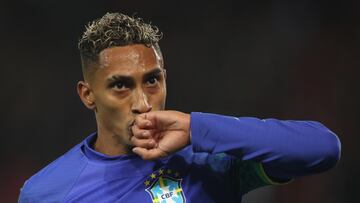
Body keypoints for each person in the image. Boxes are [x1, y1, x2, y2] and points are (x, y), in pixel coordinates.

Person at [18, 12, 341, 203]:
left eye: (152, 81)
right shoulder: (47, 191)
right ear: (88, 95)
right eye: (121, 86)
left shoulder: (208, 159)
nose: (143, 103)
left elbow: (322, 148)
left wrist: (194, 129)